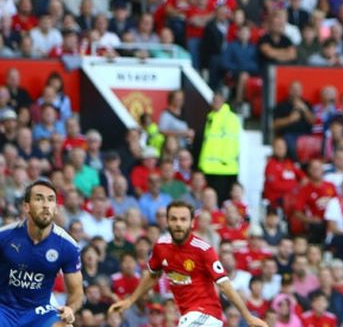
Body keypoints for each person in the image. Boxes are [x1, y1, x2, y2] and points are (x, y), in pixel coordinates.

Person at [108, 200, 268, 327]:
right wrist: (130, 301)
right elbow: (152, 275)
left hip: (207, 315)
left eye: (183, 219)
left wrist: (248, 317)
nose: (178, 224)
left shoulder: (203, 249)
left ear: (192, 223)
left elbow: (224, 285)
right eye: (174, 219)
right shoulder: (161, 247)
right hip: (186, 315)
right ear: (168, 222)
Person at [0, 179, 84, 327]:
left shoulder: (67, 246)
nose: (46, 205)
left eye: (51, 200)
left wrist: (70, 309)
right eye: (39, 199)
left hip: (38, 312)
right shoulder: (5, 236)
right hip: (4, 309)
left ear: (56, 208)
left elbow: (77, 293)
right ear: (27, 206)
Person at [199, 93, 242, 206]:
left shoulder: (230, 118)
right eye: (214, 100)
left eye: (218, 100)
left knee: (223, 202)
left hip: (225, 168)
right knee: (210, 201)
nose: (215, 103)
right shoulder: (210, 117)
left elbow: (229, 142)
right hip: (209, 167)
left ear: (223, 101)